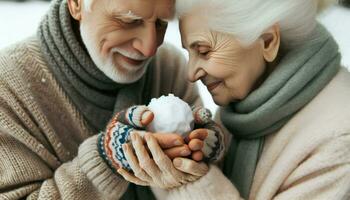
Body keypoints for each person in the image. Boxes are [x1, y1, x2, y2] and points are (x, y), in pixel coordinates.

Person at [124, 0, 350, 199]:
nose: (191, 74)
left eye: (203, 51)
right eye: (189, 53)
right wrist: (163, 156)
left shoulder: (339, 139)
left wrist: (190, 180)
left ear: (268, 42)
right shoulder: (247, 101)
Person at [0, 0, 217, 199]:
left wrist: (206, 150)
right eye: (129, 21)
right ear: (76, 4)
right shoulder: (7, 88)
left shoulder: (168, 67)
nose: (150, 48)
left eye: (160, 24)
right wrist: (105, 159)